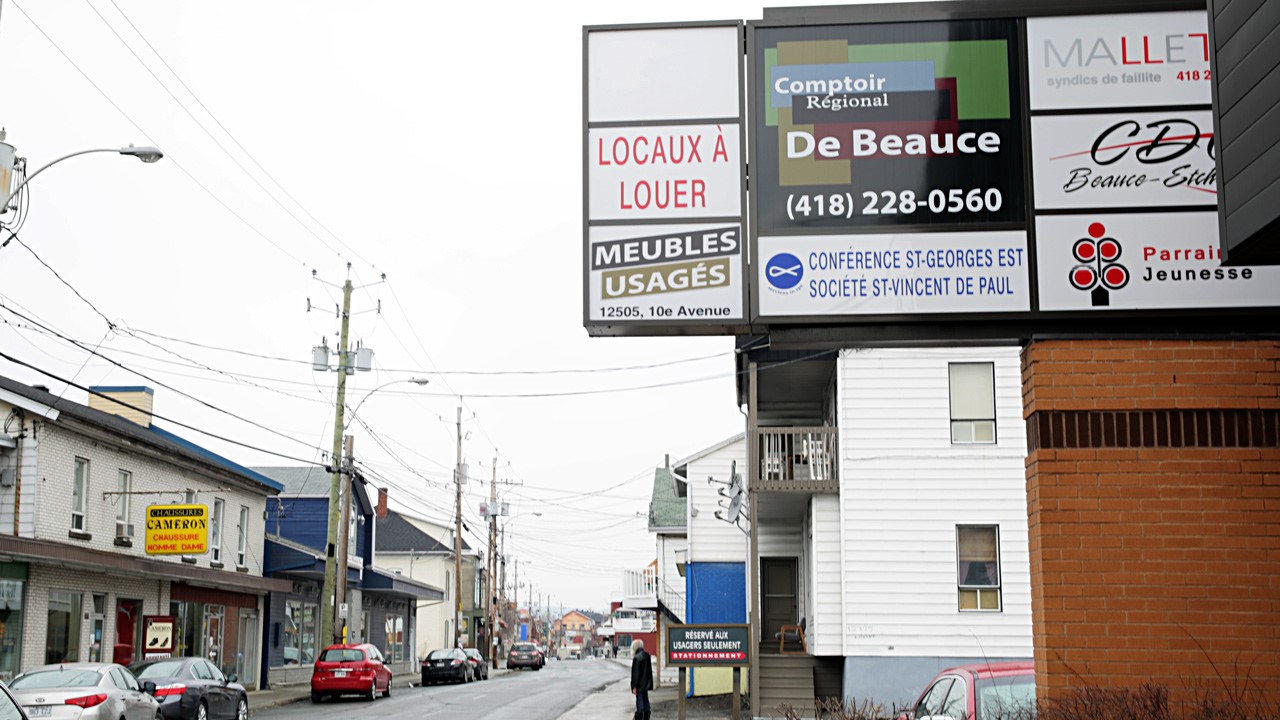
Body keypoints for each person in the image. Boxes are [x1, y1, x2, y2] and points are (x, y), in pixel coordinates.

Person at [630, 638, 653, 720]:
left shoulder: (636, 658)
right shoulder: (647, 655)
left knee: (640, 703)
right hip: (646, 683)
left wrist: (634, 686)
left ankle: (640, 717)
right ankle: (647, 716)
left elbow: (635, 674)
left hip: (639, 685)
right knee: (645, 700)